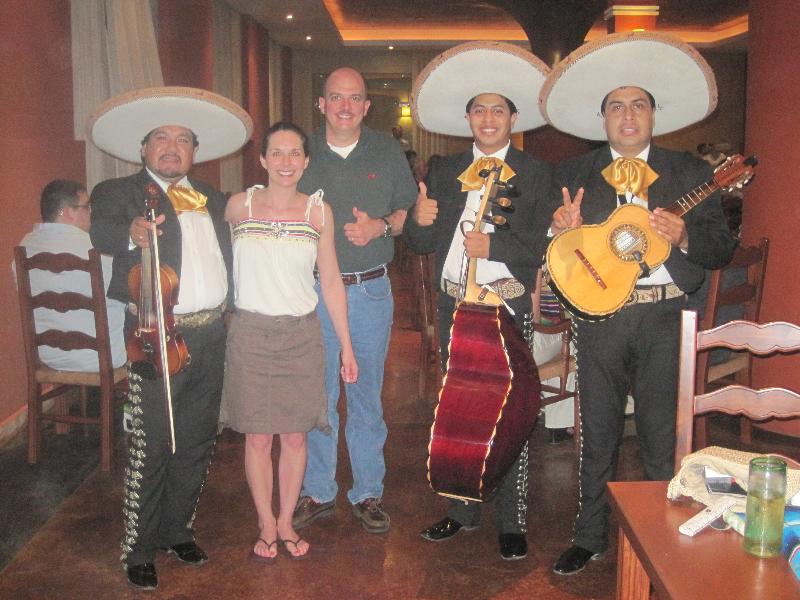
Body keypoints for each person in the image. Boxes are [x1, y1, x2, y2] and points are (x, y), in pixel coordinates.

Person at [538, 32, 737, 575]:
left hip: (665, 316)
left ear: (654, 115)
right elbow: (549, 246)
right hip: (601, 319)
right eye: (616, 107)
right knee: (596, 433)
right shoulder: (573, 175)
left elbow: (721, 248)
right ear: (602, 119)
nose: (628, 116)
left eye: (639, 105)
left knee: (659, 437)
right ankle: (589, 534)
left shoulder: (691, 173)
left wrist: (685, 237)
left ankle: (657, 540)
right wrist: (560, 229)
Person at [87, 87, 252, 590]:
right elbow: (102, 231)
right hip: (154, 334)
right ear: (143, 148)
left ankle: (177, 529)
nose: (172, 147)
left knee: (198, 438)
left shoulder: (213, 198)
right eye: (161, 138)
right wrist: (133, 231)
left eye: (182, 140)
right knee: (153, 441)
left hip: (211, 334)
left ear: (195, 151)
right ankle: (138, 549)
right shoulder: (119, 192)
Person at [404, 41, 553, 560]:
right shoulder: (443, 170)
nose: (488, 119)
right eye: (479, 110)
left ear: (514, 119)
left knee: (510, 412)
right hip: (454, 305)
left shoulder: (536, 174)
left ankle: (511, 520)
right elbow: (421, 244)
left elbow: (541, 248)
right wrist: (417, 221)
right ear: (467, 119)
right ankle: (461, 509)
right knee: (458, 412)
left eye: (498, 110)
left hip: (505, 305)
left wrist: (497, 247)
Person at [219, 122, 358, 562]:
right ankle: (265, 521)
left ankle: (285, 522)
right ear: (262, 159)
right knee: (259, 438)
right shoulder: (238, 206)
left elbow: (331, 281)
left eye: (295, 153)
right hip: (250, 335)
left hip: (301, 336)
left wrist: (347, 346)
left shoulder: (319, 212)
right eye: (276, 153)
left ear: (306, 160)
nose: (285, 162)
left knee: (296, 437)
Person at [292, 67, 418, 534]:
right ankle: (318, 489)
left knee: (365, 395)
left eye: (354, 98)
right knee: (318, 396)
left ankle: (367, 491)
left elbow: (408, 212)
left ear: (367, 106)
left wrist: (380, 226)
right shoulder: (301, 153)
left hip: (369, 291)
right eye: (336, 97)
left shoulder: (386, 151)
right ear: (321, 104)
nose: (345, 106)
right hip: (311, 293)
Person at [15, 179, 126, 371]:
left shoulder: (25, 246)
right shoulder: (97, 247)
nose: (91, 213)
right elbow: (126, 290)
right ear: (67, 212)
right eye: (87, 207)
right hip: (102, 358)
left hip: (50, 358)